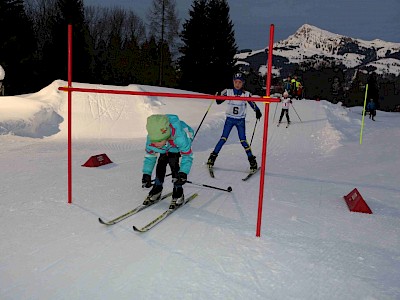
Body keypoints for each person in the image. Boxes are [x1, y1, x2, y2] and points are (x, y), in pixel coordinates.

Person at [206, 72, 262, 172]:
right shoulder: (228, 91)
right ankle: (212, 157)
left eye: (240, 82)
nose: (237, 84)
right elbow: (219, 101)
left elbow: (252, 103)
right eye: (236, 82)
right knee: (223, 138)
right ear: (233, 82)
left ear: (243, 83)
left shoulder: (246, 94)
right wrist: (218, 96)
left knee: (243, 140)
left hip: (240, 120)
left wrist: (257, 110)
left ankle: (252, 161)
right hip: (230, 120)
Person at [141, 114, 194, 209]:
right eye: (154, 142)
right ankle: (157, 188)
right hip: (166, 145)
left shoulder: (180, 137)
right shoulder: (152, 139)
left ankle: (178, 190)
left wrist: (183, 173)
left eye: (158, 141)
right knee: (161, 163)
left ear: (165, 136)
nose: (155, 144)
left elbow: (187, 155)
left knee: (174, 164)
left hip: (176, 145)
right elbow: (150, 156)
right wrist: (147, 173)